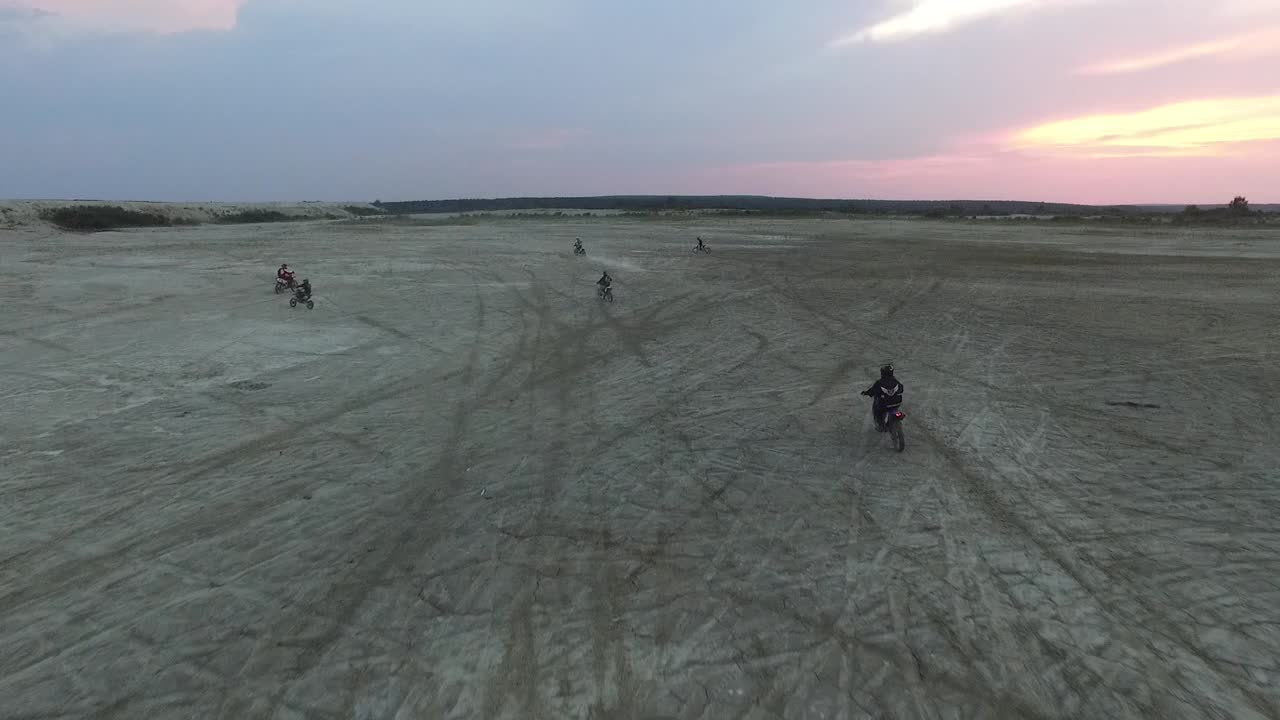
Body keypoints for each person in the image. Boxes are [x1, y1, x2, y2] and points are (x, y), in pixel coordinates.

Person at [861, 364, 904, 431]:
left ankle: (881, 425)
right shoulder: (896, 382)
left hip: (884, 405)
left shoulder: (879, 382)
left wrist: (866, 393)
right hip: (896, 404)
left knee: (878, 412)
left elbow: (872, 391)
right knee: (895, 408)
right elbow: (901, 389)